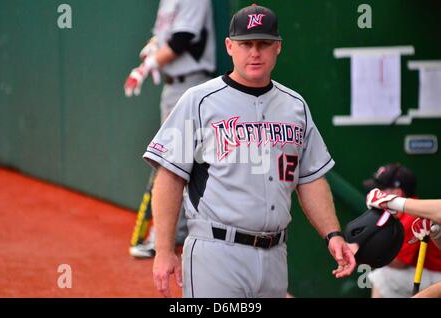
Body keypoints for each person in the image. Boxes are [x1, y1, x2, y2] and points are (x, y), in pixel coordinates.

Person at [142, 4, 355, 298]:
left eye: (264, 44)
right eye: (246, 44)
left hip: (275, 255)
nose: (255, 52)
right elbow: (170, 176)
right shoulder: (199, 100)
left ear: (277, 47)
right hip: (216, 253)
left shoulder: (295, 106)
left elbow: (310, 179)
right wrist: (164, 250)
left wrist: (332, 234)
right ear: (230, 47)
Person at [124, 0, 216, 258]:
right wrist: (152, 49)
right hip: (172, 86)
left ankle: (167, 236)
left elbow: (182, 39)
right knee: (178, 160)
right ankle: (177, 232)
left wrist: (147, 66)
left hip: (192, 83)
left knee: (175, 161)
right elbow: (163, 36)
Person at [362, 163, 441, 298]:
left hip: (436, 273)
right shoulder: (399, 215)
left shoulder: (411, 216)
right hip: (427, 271)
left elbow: (399, 263)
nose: (373, 194)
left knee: (382, 277)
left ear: (397, 193)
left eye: (381, 190)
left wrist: (363, 252)